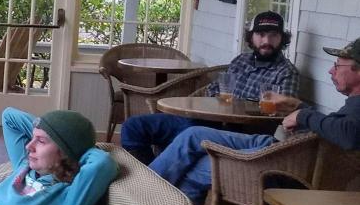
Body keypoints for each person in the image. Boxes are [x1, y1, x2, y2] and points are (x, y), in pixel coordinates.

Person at [150, 37, 360, 205]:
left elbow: (348, 135)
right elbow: (336, 131)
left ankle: (141, 198)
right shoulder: (354, 104)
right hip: (281, 159)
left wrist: (303, 116)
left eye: (338, 65)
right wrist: (298, 107)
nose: (331, 71)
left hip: (281, 170)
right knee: (194, 157)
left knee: (193, 140)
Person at [120, 11, 300, 164]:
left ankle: (156, 185)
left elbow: (282, 113)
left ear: (282, 39)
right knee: (133, 126)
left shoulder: (286, 72)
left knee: (188, 134)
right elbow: (213, 89)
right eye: (261, 35)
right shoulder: (241, 61)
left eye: (273, 35)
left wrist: (240, 106)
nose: (266, 40)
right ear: (251, 37)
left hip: (239, 132)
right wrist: (220, 98)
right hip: (207, 119)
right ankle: (148, 178)